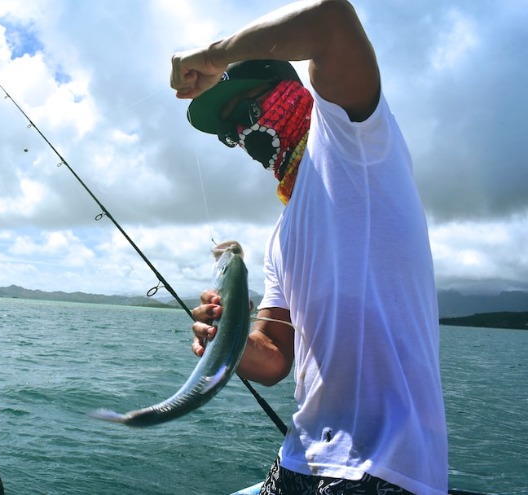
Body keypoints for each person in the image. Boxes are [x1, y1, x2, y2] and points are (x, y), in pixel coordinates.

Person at [170, 1, 448, 494]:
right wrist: (227, 339)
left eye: (250, 112)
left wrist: (213, 58)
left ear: (295, 94)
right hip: (299, 460)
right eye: (233, 131)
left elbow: (330, 19)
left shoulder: (352, 139)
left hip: (381, 469)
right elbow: (274, 358)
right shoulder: (281, 234)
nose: (244, 133)